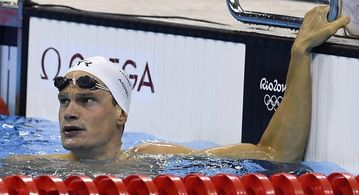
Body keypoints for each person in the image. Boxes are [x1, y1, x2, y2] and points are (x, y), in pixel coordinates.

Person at [40, 6, 351, 162]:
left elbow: (274, 154)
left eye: (86, 100)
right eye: (64, 101)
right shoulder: (31, 168)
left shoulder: (152, 159)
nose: (70, 111)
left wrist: (299, 54)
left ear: (121, 113)